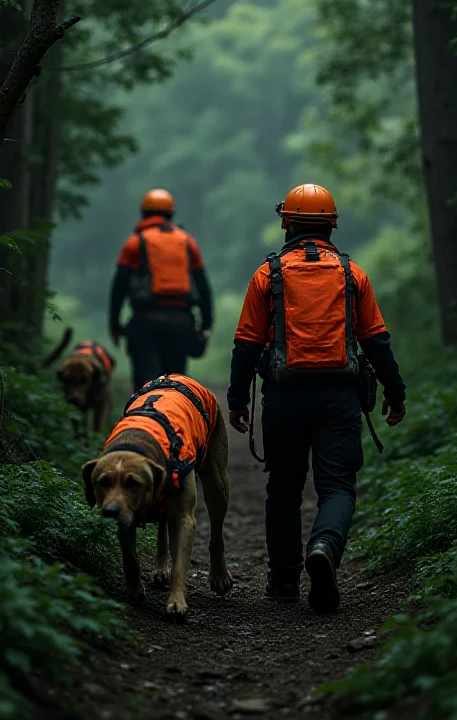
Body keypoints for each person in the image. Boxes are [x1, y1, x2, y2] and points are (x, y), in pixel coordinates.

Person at [227, 183, 406, 614]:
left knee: (284, 488)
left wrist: (237, 400)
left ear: (286, 222)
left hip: (284, 397)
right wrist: (395, 392)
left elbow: (246, 344)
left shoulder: (266, 275)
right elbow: (376, 340)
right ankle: (324, 546)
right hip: (339, 397)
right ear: (332, 225)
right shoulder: (351, 274)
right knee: (337, 486)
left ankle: (285, 580)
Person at [110, 188, 213, 390]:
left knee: (144, 386)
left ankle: (144, 419)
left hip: (145, 322)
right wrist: (206, 325)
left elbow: (119, 286)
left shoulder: (134, 243)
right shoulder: (187, 242)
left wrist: (114, 325)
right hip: (181, 323)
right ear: (171, 215)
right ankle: (174, 420)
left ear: (143, 214)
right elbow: (203, 287)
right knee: (174, 385)